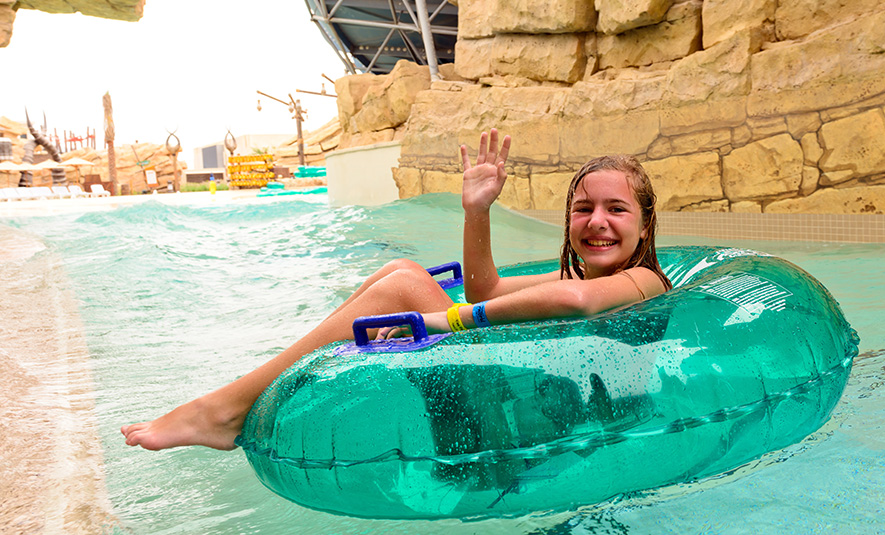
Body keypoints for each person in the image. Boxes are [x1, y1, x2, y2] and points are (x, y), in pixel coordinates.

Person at [121, 129, 672, 452]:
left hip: (558, 437)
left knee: (407, 287)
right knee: (403, 270)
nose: (597, 221)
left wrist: (439, 321)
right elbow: (486, 288)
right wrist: (476, 211)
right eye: (583, 208)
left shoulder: (646, 280)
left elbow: (575, 303)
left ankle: (226, 410)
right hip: (523, 418)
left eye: (617, 209)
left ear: (646, 224)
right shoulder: (580, 274)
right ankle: (257, 396)